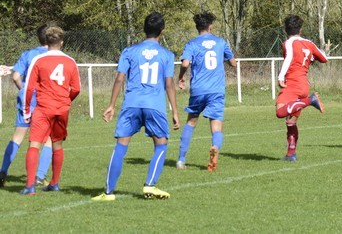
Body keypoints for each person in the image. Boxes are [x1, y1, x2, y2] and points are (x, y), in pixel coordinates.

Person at [92, 12, 180, 201]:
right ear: (162, 32)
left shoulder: (129, 51)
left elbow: (119, 79)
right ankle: (150, 185)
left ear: (144, 29)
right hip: (154, 105)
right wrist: (175, 111)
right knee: (161, 145)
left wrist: (111, 105)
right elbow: (169, 84)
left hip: (131, 104)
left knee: (121, 146)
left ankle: (108, 192)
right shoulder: (167, 55)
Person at [19, 26, 81, 195]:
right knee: (57, 144)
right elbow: (76, 88)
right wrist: (66, 100)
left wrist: (26, 110)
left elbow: (29, 87)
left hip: (44, 108)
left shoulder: (39, 60)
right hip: (62, 109)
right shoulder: (70, 61)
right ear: (62, 42)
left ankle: (30, 186)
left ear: (46, 42)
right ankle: (54, 183)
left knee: (34, 144)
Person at [176, 12, 236, 171]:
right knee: (216, 124)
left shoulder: (192, 44)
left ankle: (181, 160)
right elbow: (233, 63)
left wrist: (181, 77)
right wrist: (227, 60)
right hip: (216, 90)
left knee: (191, 122)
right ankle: (215, 146)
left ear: (197, 27)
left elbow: (185, 63)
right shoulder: (220, 42)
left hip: (198, 90)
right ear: (211, 27)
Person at [0, 24, 53, 188]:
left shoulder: (28, 54)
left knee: (17, 137)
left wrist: (24, 90)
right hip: (46, 102)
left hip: (27, 101)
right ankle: (39, 176)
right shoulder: (54, 56)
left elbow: (16, 76)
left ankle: (2, 172)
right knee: (48, 138)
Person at [276, 15, 327, 161]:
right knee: (291, 122)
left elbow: (289, 58)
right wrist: (311, 58)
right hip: (304, 84)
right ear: (301, 29)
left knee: (280, 112)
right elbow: (324, 58)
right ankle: (291, 155)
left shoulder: (288, 43)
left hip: (292, 84)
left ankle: (311, 100)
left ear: (286, 29)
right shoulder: (309, 43)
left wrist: (281, 76)